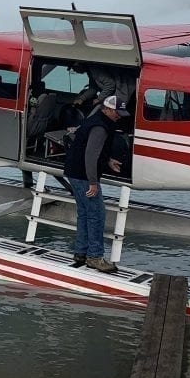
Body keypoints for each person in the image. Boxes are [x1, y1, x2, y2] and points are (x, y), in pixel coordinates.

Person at [63, 94, 128, 272]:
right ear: (106, 109)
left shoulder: (95, 119)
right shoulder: (100, 127)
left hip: (74, 171)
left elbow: (90, 148)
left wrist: (107, 161)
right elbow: (90, 156)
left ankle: (80, 252)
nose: (119, 116)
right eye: (117, 112)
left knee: (84, 213)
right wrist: (93, 183)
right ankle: (95, 257)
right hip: (83, 176)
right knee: (97, 215)